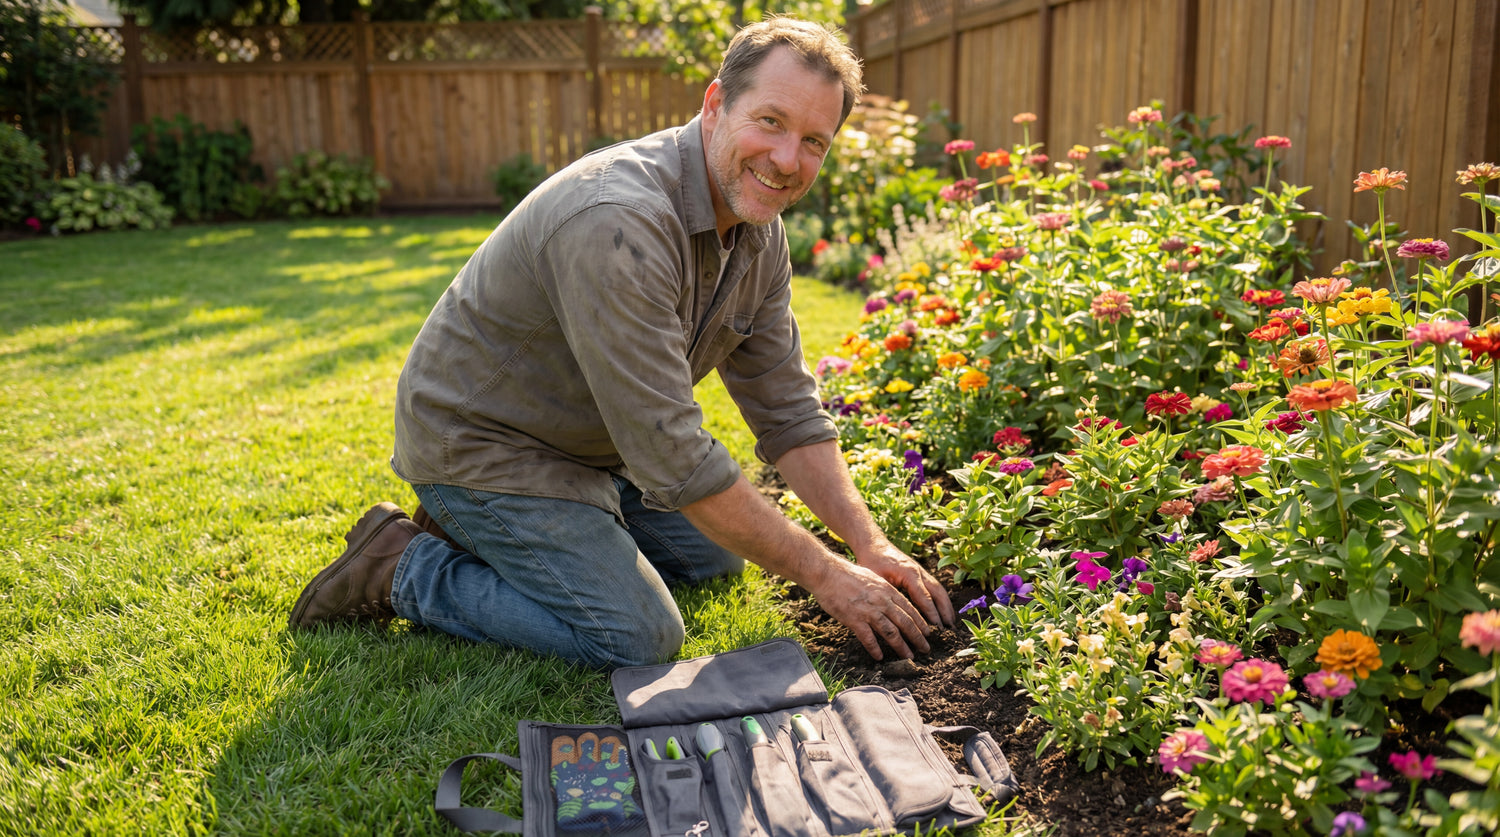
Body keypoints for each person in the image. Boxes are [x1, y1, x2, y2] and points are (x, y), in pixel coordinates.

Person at [289, 16, 955, 669]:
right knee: (635, 634)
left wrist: (869, 544)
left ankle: (526, 536)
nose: (787, 160)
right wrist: (826, 575)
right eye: (772, 122)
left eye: (815, 140)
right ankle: (402, 565)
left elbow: (787, 408)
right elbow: (672, 456)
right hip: (485, 444)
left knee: (712, 557)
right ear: (716, 103)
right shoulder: (620, 222)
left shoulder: (759, 233)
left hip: (592, 445)